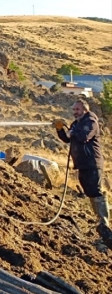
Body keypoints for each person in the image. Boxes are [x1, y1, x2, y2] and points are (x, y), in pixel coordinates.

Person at [54, 99, 109, 236]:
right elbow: (67, 139)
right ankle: (100, 222)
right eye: (73, 110)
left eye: (77, 110)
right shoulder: (76, 123)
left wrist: (71, 132)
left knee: (96, 191)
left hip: (92, 163)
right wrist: (59, 129)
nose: (75, 113)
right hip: (82, 164)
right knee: (89, 191)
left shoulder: (90, 121)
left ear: (85, 109)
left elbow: (84, 136)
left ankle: (104, 223)